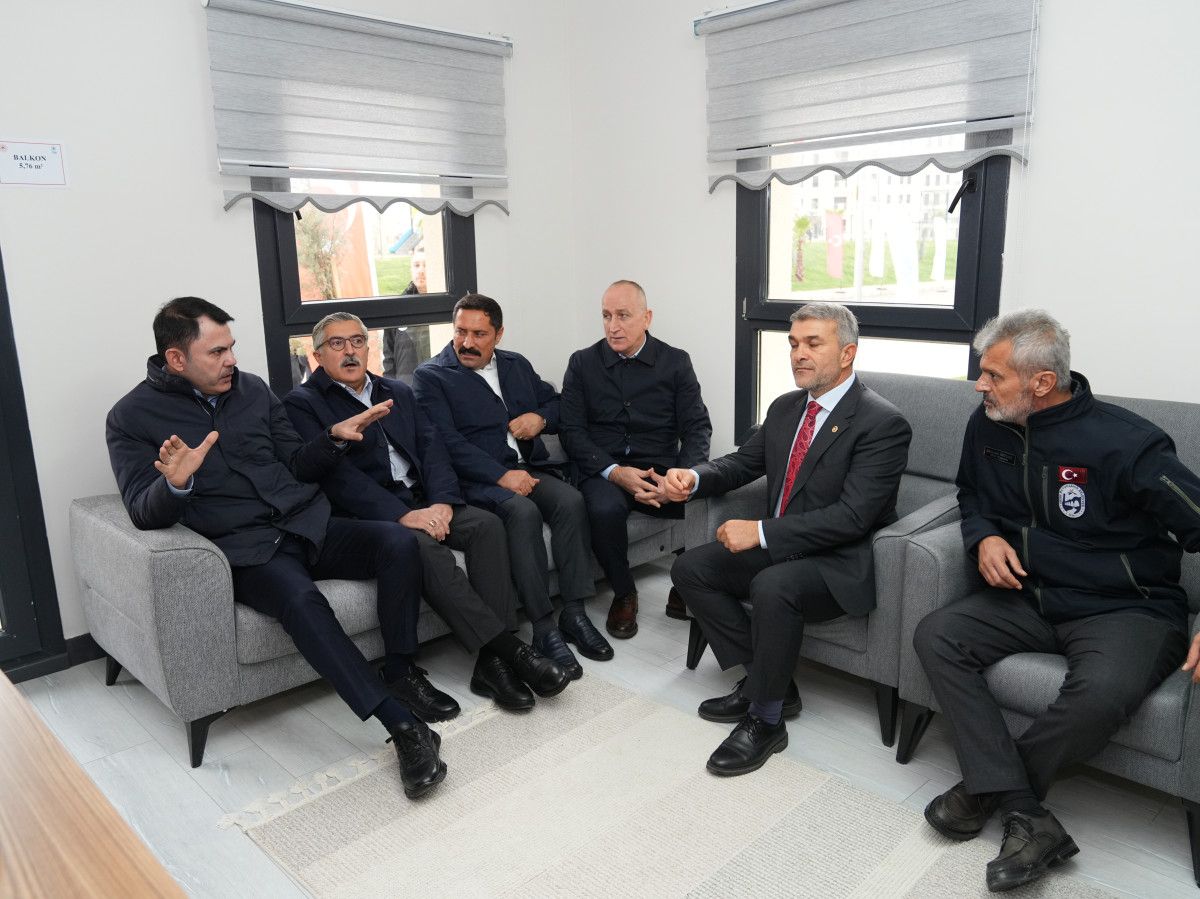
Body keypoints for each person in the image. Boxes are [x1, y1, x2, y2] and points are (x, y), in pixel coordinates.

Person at [105, 297, 445, 799]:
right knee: (302, 600)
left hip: (305, 522)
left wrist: (332, 438)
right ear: (176, 358)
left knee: (397, 541)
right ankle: (404, 726)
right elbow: (141, 510)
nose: (231, 361)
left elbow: (296, 462)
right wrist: (175, 484)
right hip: (248, 550)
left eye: (231, 348)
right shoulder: (131, 417)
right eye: (216, 352)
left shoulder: (252, 389)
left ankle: (399, 669)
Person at [913, 309, 1200, 893]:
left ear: (1041, 382)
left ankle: (990, 791)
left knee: (1100, 694)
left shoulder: (1129, 443)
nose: (979, 386)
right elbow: (970, 493)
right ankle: (1026, 811)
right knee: (937, 634)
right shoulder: (987, 424)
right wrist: (983, 536)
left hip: (1127, 607)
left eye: (993, 375)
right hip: (1029, 596)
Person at [666, 302, 911, 777]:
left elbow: (853, 518)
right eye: (794, 344)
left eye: (813, 343)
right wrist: (694, 477)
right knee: (690, 569)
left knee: (773, 585)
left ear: (847, 353)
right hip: (782, 548)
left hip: (836, 561)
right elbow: (742, 463)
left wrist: (759, 531)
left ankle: (766, 719)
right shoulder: (784, 408)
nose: (799, 353)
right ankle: (766, 681)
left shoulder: (882, 423)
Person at [284, 312, 570, 709]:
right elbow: (339, 480)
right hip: (373, 516)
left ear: (368, 347)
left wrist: (442, 501)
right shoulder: (302, 404)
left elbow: (433, 448)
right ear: (317, 354)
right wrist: (401, 515)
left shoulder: (396, 391)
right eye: (337, 344)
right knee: (425, 550)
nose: (349, 351)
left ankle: (491, 664)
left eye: (357, 341)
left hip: (424, 497)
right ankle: (510, 651)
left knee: (487, 525)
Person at [413, 294, 614, 668]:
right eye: (460, 332)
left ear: (498, 334)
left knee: (571, 501)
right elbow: (444, 441)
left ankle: (574, 612)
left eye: (479, 334)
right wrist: (500, 475)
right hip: (476, 481)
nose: (467, 342)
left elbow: (558, 403)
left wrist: (540, 419)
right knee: (523, 513)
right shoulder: (431, 377)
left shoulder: (516, 364)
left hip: (529, 468)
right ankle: (543, 627)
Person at [560, 280, 712, 639]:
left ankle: (685, 583)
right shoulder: (582, 363)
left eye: (623, 316)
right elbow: (571, 431)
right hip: (604, 469)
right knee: (603, 509)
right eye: (606, 316)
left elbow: (697, 427)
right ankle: (625, 591)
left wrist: (680, 478)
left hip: (660, 466)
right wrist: (614, 472)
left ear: (647, 317)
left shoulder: (675, 362)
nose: (613, 326)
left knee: (709, 498)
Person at [381, 244, 430, 383]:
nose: (421, 270)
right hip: (405, 389)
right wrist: (390, 388)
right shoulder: (398, 308)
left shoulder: (443, 308)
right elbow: (389, 358)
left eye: (425, 265)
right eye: (416, 265)